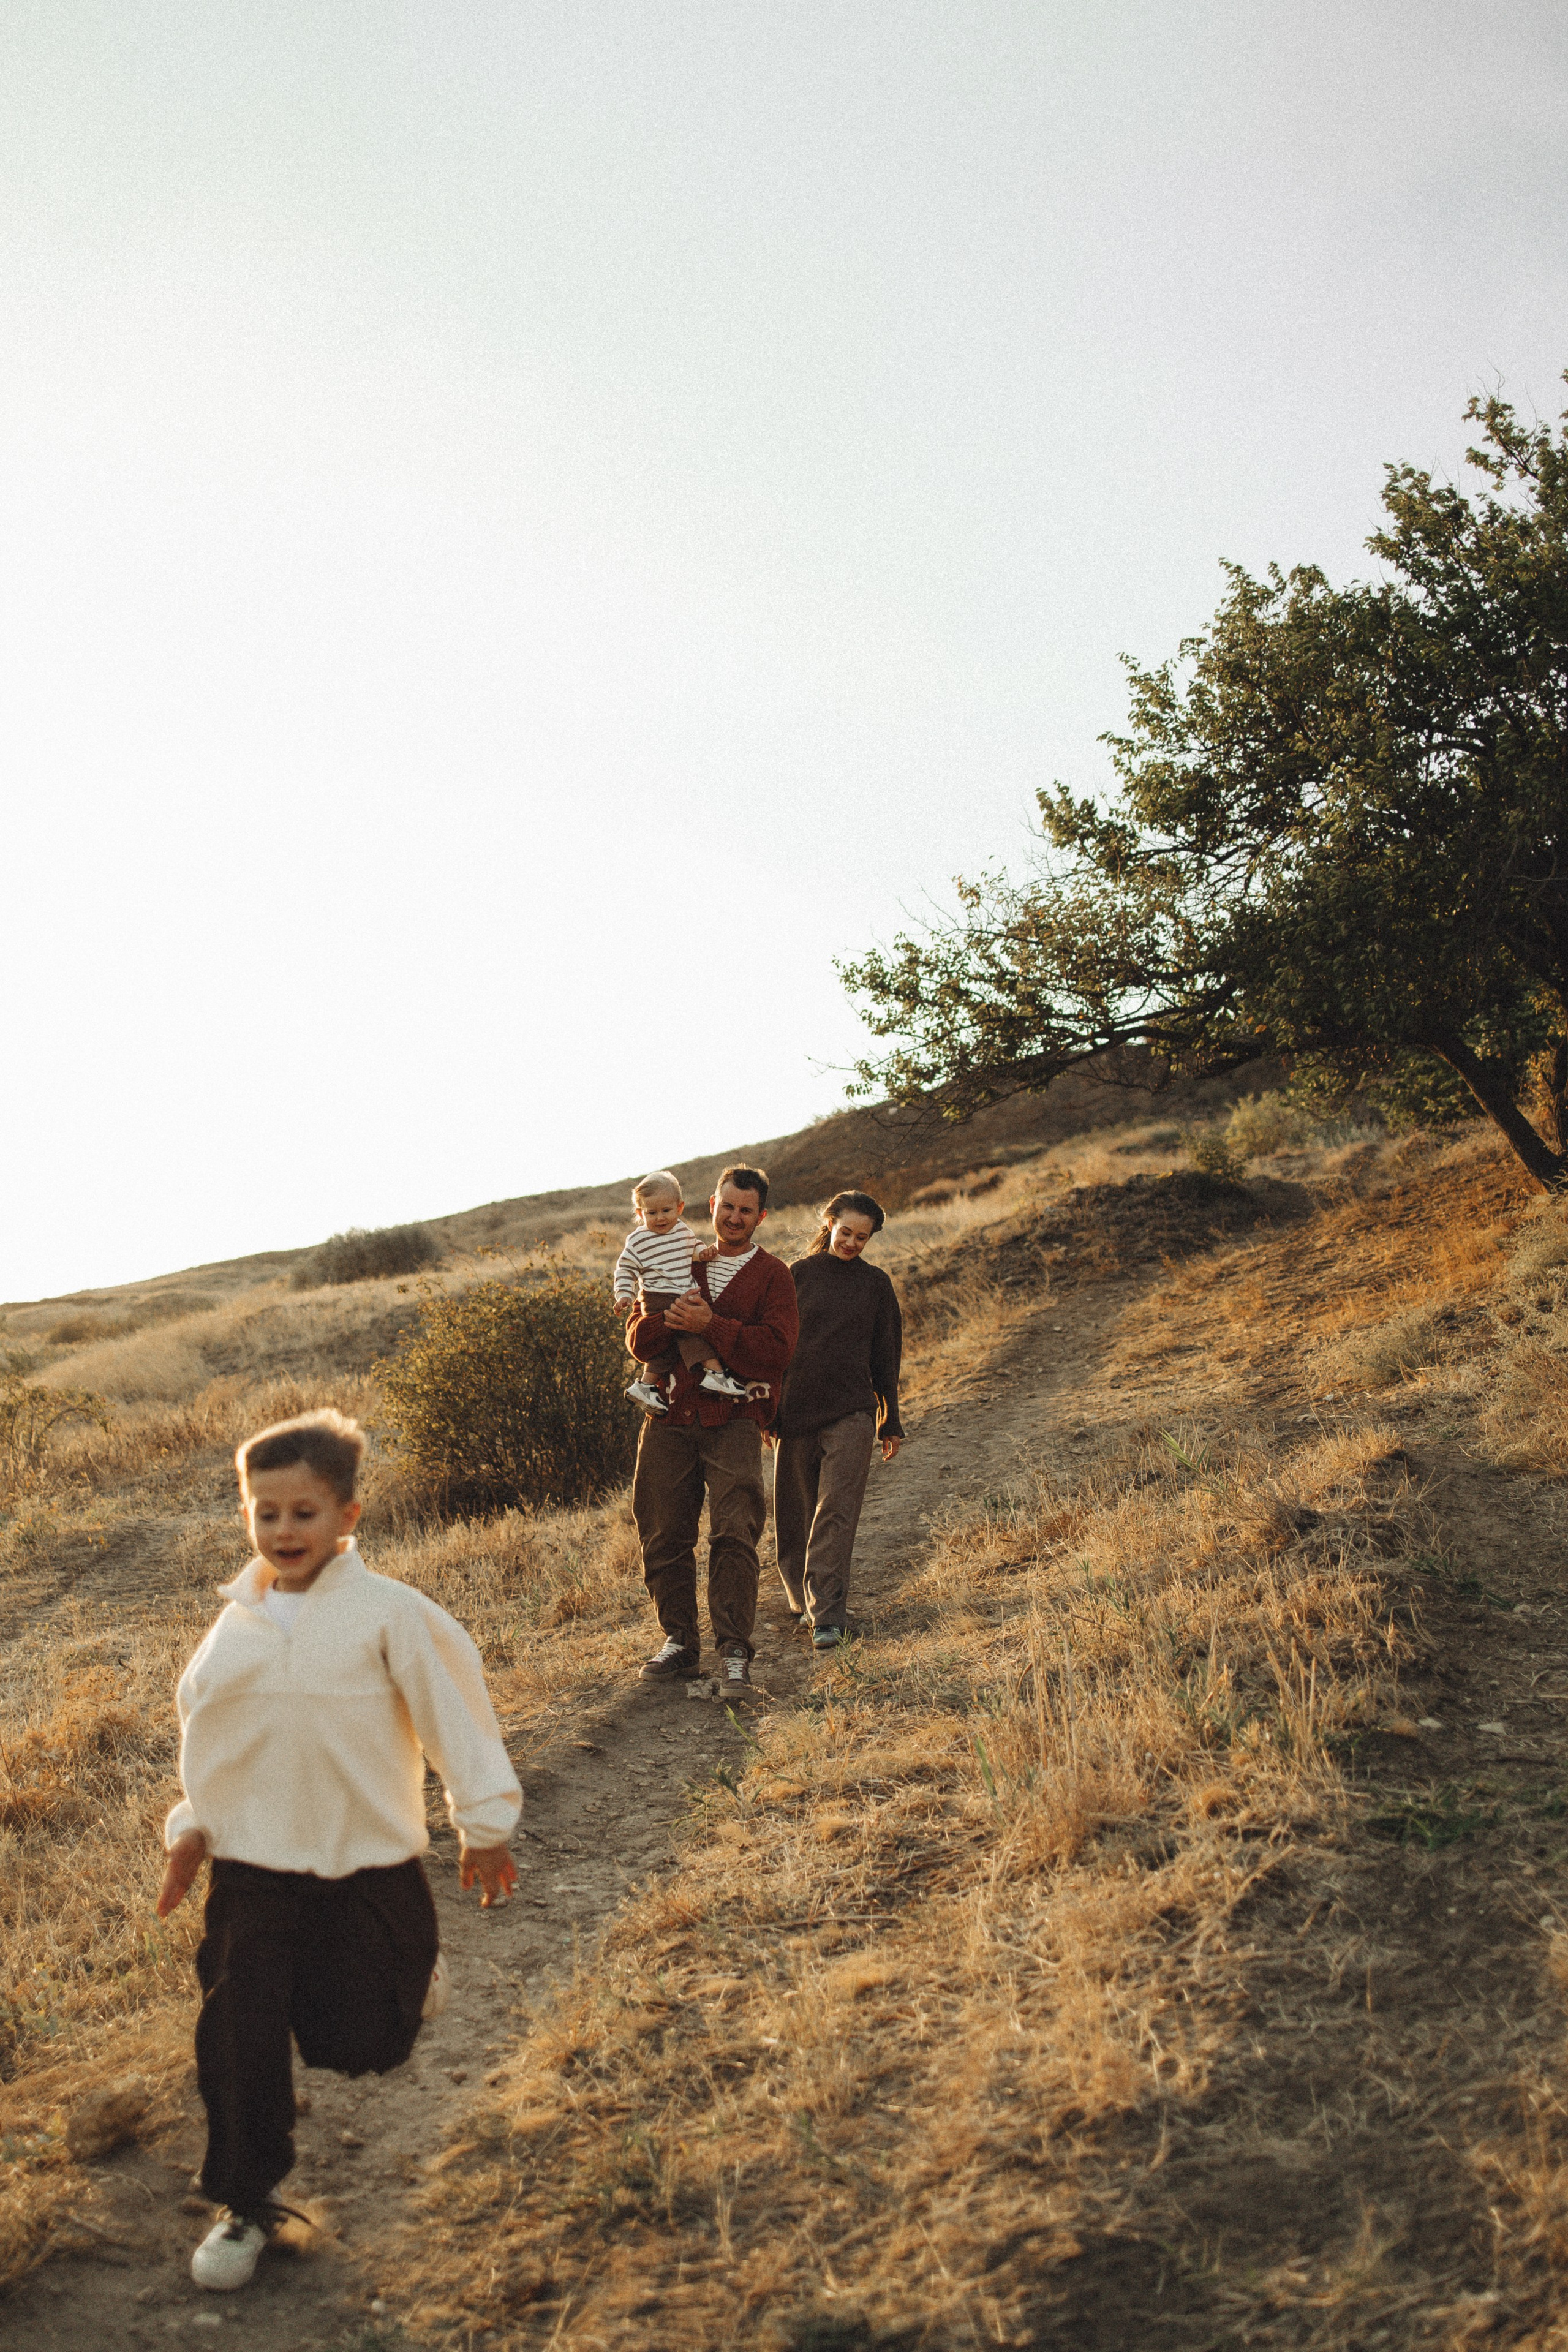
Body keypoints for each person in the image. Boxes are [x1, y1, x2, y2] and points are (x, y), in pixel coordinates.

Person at [156, 1409, 521, 2295]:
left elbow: (455, 1716)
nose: (283, 1531)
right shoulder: (234, 1627)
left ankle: (409, 1978)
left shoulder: (390, 1615)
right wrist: (191, 1828)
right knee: (238, 2033)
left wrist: (485, 1826)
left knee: (362, 2043)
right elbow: (208, 1739)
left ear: (348, 1516)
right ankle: (245, 2197)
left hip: (368, 1868)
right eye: (265, 1512)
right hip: (252, 1872)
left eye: (304, 1513)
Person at [626, 1166, 799, 1693]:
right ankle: (680, 1643)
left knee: (735, 1533)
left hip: (736, 1420)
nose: (735, 1217)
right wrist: (669, 1320)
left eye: (747, 1210)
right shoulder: (676, 1254)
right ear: (710, 1204)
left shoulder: (774, 1275)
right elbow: (638, 1337)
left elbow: (777, 1349)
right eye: (727, 1206)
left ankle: (732, 1653)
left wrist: (712, 1327)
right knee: (661, 1532)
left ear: (761, 1216)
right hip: (668, 1417)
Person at [774, 1191, 903, 1651]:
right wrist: (770, 1412)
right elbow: (778, 1350)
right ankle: (800, 1598)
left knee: (836, 1510)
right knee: (794, 1513)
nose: (851, 1243)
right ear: (828, 1223)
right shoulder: (795, 1276)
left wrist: (890, 1419)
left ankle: (827, 1612)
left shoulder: (875, 1285)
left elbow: (886, 1355)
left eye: (862, 1238)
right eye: (845, 1232)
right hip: (796, 1410)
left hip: (852, 1411)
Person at [613, 1170, 748, 1412]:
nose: (660, 1218)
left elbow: (692, 1249)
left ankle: (645, 1386)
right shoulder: (638, 1240)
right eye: (651, 1213)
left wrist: (702, 1253)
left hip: (682, 1291)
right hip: (657, 1296)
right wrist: (624, 1294)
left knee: (670, 1346)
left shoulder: (682, 1230)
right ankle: (716, 1374)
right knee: (692, 1333)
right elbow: (626, 1268)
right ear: (640, 1213)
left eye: (666, 1211)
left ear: (679, 1207)